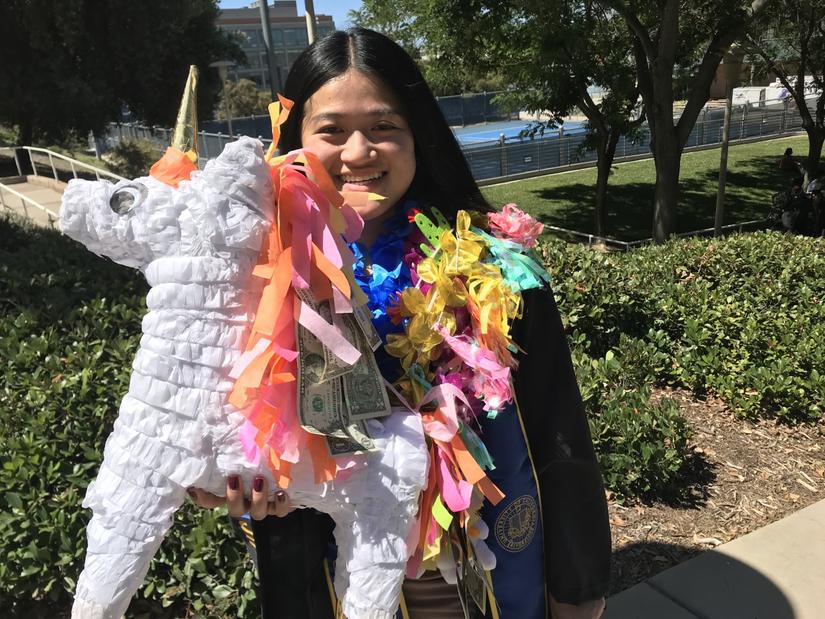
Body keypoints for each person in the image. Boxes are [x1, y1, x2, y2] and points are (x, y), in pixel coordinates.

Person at [192, 27, 611, 619]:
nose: (359, 152)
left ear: (419, 136)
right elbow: (219, 418)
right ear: (294, 142)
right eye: (332, 131)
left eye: (384, 127)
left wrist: (577, 585)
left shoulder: (495, 271)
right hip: (332, 568)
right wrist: (219, 476)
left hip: (481, 565)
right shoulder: (257, 279)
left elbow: (557, 428)